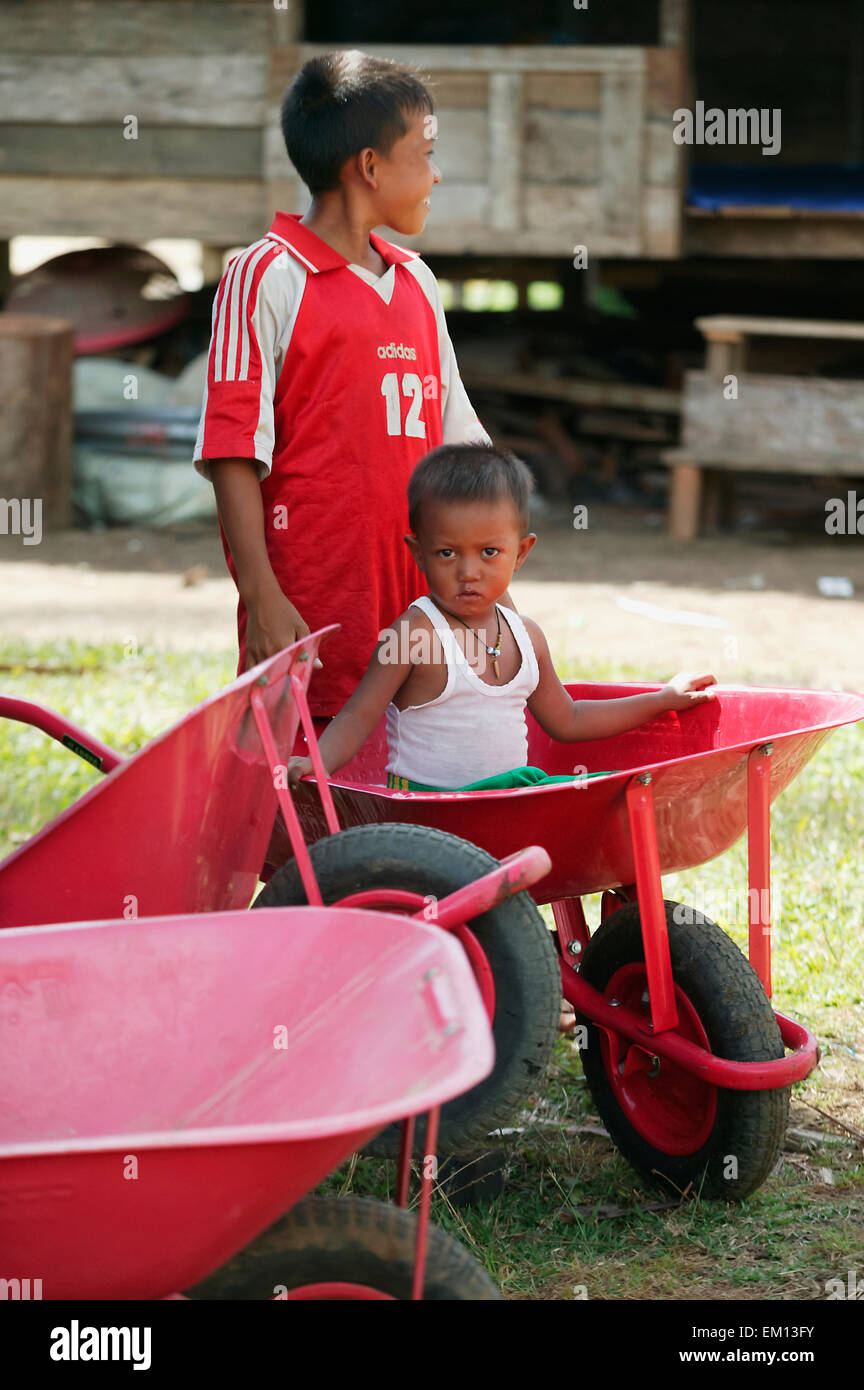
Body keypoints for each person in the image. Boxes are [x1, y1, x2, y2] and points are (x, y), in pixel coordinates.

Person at [192, 50, 491, 720]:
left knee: (406, 804)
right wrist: (264, 599)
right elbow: (233, 450)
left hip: (420, 615)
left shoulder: (417, 282)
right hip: (311, 618)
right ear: (370, 166)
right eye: (427, 152)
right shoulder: (264, 274)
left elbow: (462, 450)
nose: (436, 173)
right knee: (301, 807)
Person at [287, 443, 717, 794]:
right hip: (428, 812)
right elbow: (359, 714)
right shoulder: (414, 634)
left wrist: (661, 699)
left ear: (521, 553)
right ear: (419, 554)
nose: (468, 571)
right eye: (446, 553)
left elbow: (569, 720)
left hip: (506, 804)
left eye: (489, 552)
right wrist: (315, 762)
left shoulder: (526, 636)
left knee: (607, 796)